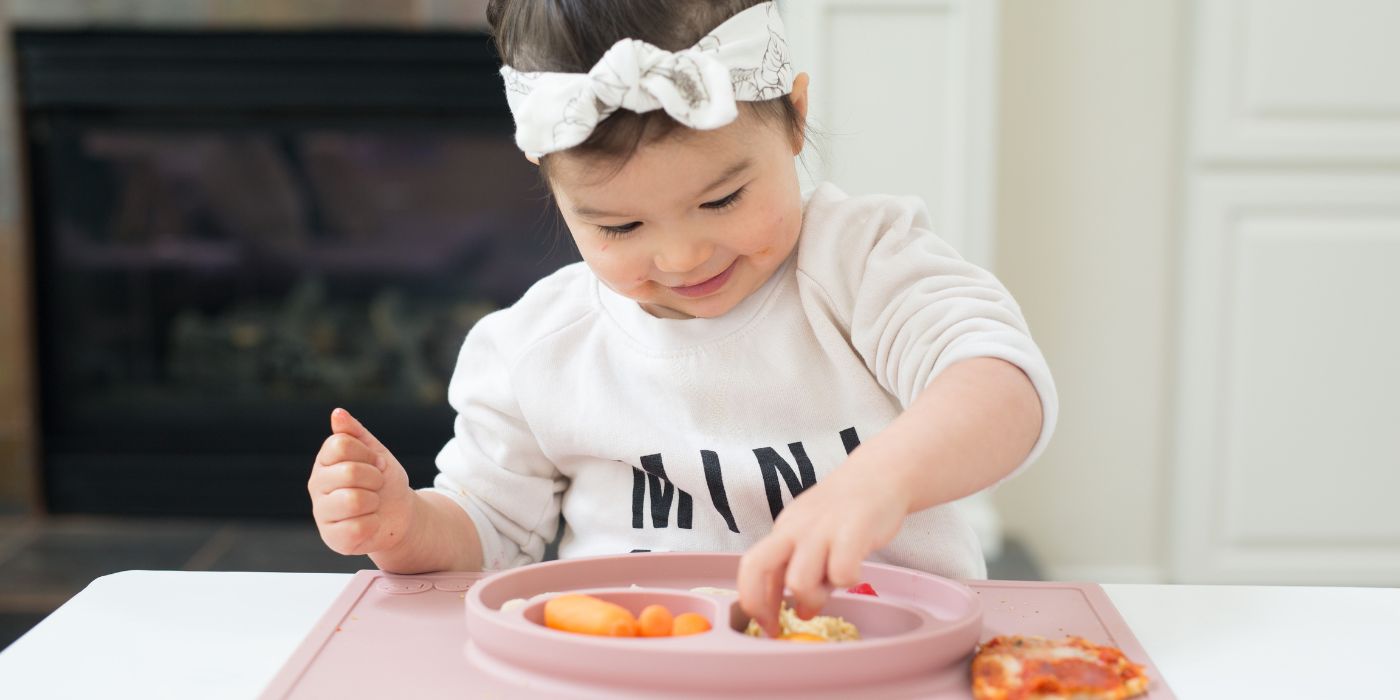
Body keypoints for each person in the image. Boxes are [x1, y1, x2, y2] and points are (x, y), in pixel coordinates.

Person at [308, 0, 1056, 636]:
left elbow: (1002, 385)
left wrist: (879, 482)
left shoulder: (863, 264)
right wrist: (403, 524)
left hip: (881, 657)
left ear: (795, 119)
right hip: (638, 668)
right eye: (620, 228)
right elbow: (487, 534)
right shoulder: (539, 349)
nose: (681, 256)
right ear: (552, 187)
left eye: (722, 200)